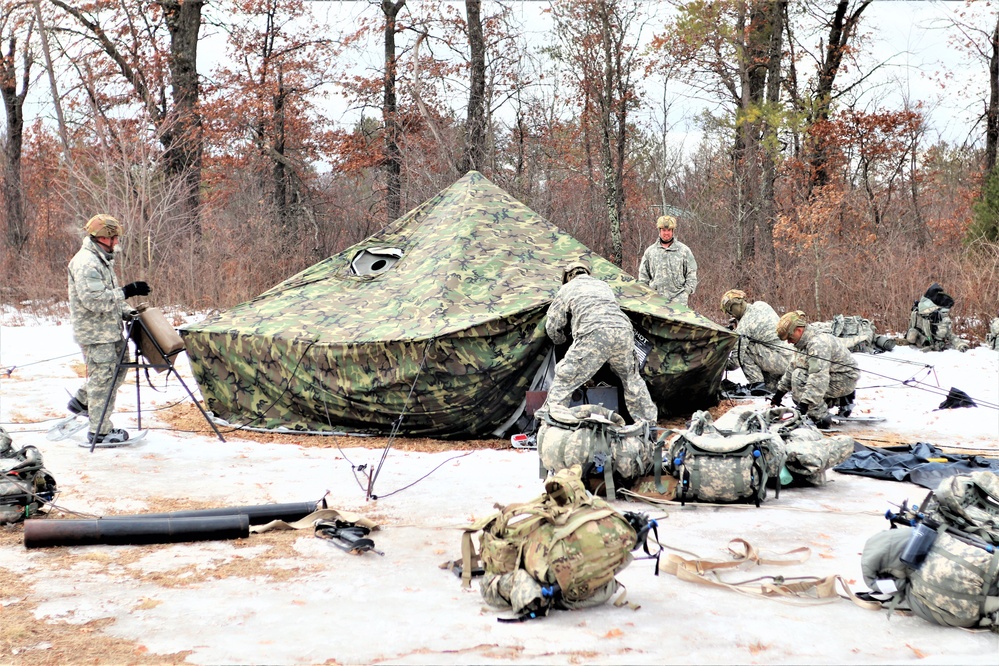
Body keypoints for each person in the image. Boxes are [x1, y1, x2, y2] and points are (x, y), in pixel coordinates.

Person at [67, 214, 151, 444]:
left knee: (117, 372)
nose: (117, 242)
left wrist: (129, 312)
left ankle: (83, 400)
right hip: (96, 334)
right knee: (103, 380)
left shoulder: (102, 259)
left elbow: (111, 298)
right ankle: (100, 432)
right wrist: (127, 291)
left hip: (110, 331)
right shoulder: (87, 263)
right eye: (114, 238)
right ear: (102, 237)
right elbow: (95, 301)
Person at [540, 261, 658, 424]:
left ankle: (550, 421)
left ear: (568, 276)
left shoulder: (567, 288)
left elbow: (553, 325)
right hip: (623, 331)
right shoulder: (603, 285)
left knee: (565, 377)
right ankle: (648, 425)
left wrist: (560, 341)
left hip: (594, 332)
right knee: (632, 380)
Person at [771, 310, 859, 429]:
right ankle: (841, 400)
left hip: (843, 379)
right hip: (833, 376)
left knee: (799, 381)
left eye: (790, 337)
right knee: (798, 376)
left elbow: (818, 378)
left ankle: (821, 417)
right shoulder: (803, 342)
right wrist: (779, 393)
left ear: (799, 330)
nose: (789, 342)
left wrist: (804, 405)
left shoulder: (817, 344)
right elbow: (792, 367)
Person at [719, 289, 794, 392]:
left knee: (744, 348)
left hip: (781, 361)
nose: (731, 314)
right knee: (770, 388)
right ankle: (769, 384)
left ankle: (757, 384)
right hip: (789, 359)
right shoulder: (760, 305)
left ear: (737, 304)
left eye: (730, 310)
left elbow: (736, 361)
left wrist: (721, 365)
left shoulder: (745, 326)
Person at [638, 214, 698, 306]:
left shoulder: (684, 251)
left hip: (678, 302)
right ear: (659, 231)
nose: (666, 233)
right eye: (664, 230)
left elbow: (691, 273)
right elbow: (643, 276)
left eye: (669, 230)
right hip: (655, 301)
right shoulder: (650, 252)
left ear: (673, 231)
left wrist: (686, 292)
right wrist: (646, 294)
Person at [905, 283, 969, 352]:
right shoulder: (917, 313)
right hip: (921, 341)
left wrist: (960, 344)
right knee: (912, 335)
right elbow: (912, 326)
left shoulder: (941, 318)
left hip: (933, 344)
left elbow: (950, 335)